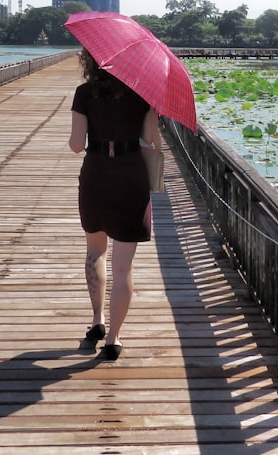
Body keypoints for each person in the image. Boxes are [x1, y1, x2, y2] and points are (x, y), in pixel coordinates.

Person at [68, 49, 161, 362]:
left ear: (91, 62)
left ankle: (97, 320)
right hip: (130, 177)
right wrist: (151, 111)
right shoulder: (143, 95)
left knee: (95, 252)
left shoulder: (84, 94)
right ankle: (114, 339)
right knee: (124, 266)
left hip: (96, 173)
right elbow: (150, 141)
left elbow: (76, 145)